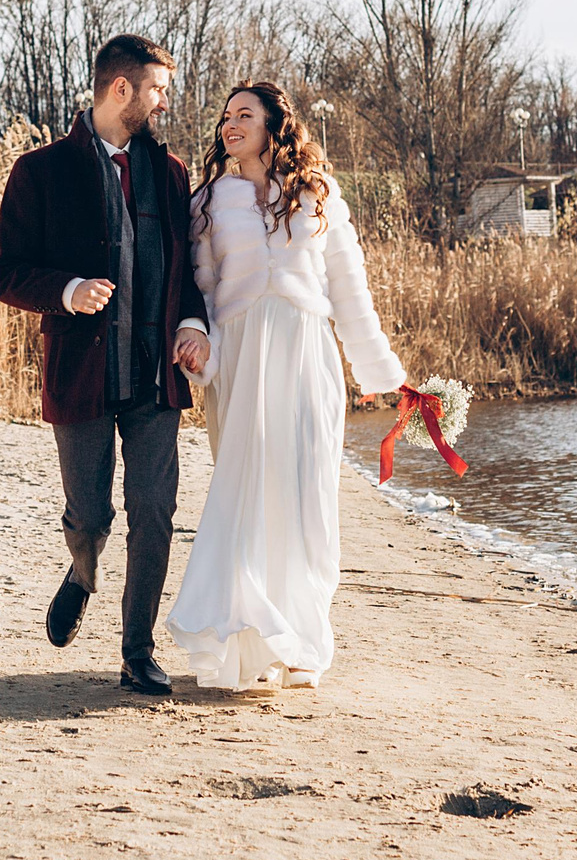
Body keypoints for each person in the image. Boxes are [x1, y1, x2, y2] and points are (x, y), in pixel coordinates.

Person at [0, 34, 211, 695]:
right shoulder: (40, 172)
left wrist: (193, 325)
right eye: (157, 90)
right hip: (82, 374)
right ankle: (82, 572)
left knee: (154, 510)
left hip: (154, 376)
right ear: (122, 89)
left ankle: (136, 651)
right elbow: (5, 272)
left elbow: (188, 272)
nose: (164, 103)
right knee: (91, 515)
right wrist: (66, 291)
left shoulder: (171, 174)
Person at [165, 81, 408, 691]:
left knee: (305, 501)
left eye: (245, 114)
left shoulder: (318, 194)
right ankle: (247, 645)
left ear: (277, 125)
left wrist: (384, 374)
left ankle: (301, 640)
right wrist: (197, 337)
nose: (230, 124)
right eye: (225, 116)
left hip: (306, 357)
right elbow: (199, 285)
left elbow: (350, 289)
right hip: (241, 359)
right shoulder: (208, 203)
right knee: (246, 498)